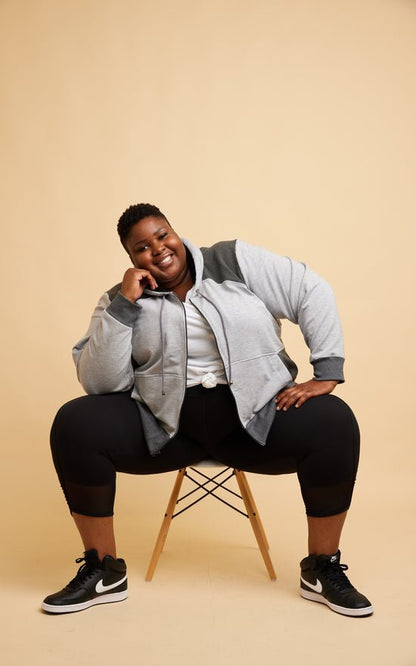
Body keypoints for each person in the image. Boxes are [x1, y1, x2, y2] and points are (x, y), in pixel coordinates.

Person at [42, 203, 373, 617]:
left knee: (335, 421)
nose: (158, 249)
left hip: (254, 422)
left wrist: (327, 369)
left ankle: (322, 569)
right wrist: (124, 305)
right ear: (132, 259)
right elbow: (99, 383)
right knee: (75, 423)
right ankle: (103, 571)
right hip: (167, 430)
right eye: (142, 247)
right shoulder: (119, 299)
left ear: (175, 232)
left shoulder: (232, 261)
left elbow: (311, 289)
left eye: (162, 235)